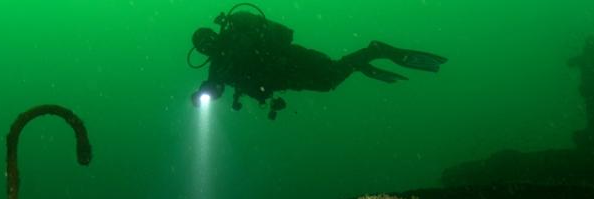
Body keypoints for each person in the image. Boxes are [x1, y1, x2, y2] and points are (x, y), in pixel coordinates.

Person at [189, 4, 446, 119]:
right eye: (204, 48)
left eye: (208, 41)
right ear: (202, 52)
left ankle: (374, 51)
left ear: (214, 35)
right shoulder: (217, 67)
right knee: (329, 82)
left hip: (292, 59)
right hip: (286, 79)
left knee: (331, 75)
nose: (209, 47)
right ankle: (360, 61)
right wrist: (203, 93)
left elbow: (268, 42)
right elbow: (215, 87)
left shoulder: (237, 36)